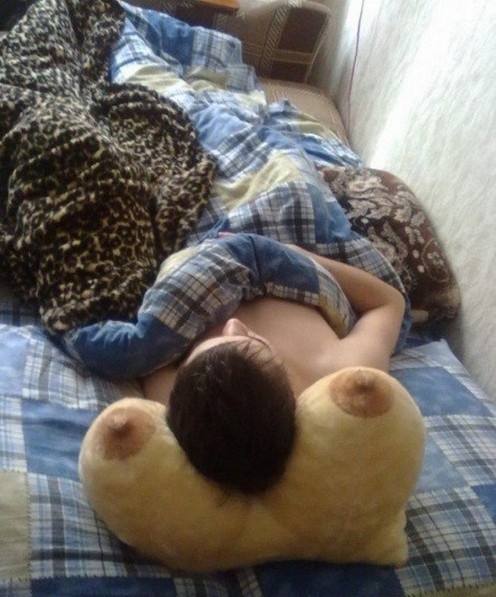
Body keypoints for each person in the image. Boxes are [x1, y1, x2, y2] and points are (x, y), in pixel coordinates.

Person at [142, 242, 406, 495]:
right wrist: (302, 255)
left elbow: (147, 353)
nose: (233, 324)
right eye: (253, 340)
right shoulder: (344, 373)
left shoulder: (175, 399)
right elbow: (390, 301)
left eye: (201, 350)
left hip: (197, 269)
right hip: (286, 262)